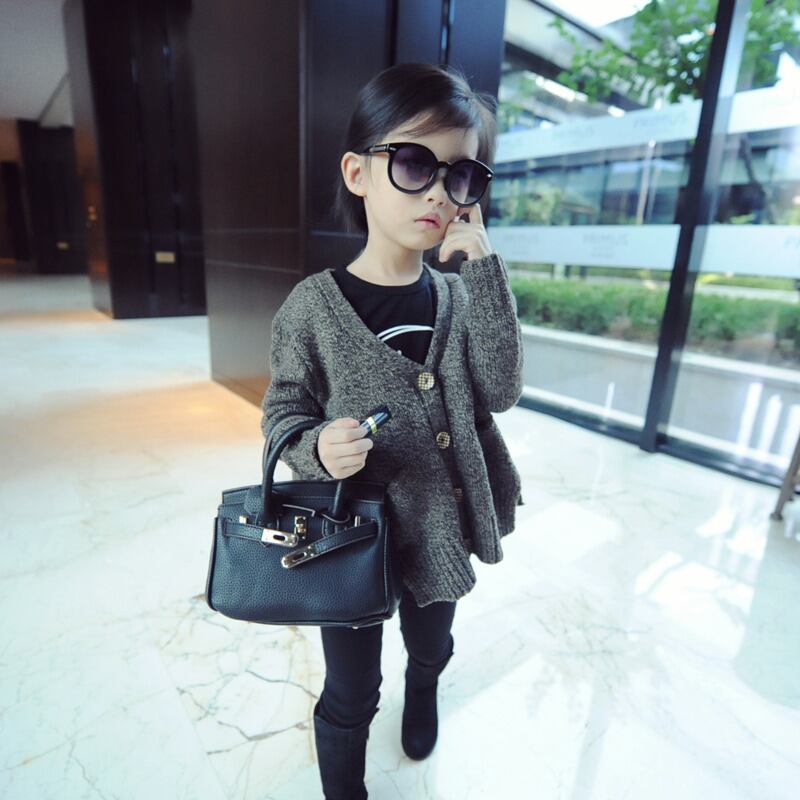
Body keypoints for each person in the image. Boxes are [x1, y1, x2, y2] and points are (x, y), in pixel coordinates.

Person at [261, 61, 524, 799]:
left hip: (439, 524)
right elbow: (282, 412)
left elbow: (500, 391)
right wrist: (317, 446)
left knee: (432, 642)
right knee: (351, 690)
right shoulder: (312, 308)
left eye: (461, 175)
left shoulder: (459, 295)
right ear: (358, 173)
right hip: (350, 539)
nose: (439, 192)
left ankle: (426, 689)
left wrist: (485, 275)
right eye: (413, 163)